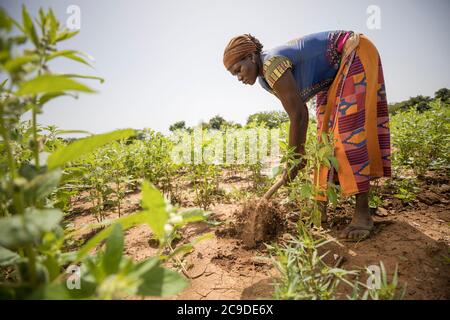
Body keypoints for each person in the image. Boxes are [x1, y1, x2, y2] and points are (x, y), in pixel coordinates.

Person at [223, 31, 391, 241]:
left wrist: (295, 159)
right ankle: (318, 211)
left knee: (347, 135)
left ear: (250, 56)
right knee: (324, 142)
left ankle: (362, 215)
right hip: (332, 76)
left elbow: (299, 114)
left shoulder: (271, 64)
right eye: (234, 74)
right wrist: (297, 157)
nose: (239, 77)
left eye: (238, 69)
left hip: (353, 51)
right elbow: (299, 113)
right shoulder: (264, 79)